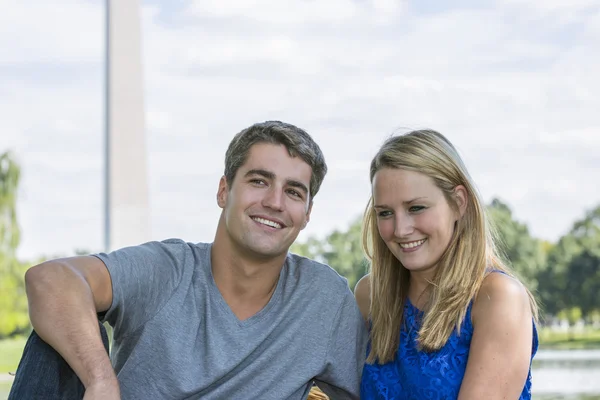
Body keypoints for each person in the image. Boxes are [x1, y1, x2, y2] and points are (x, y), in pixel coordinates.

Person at [10, 121, 367, 400]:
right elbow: (50, 280)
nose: (275, 202)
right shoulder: (167, 270)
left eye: (293, 191)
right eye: (259, 181)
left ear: (307, 213)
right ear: (224, 191)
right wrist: (102, 382)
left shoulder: (325, 300)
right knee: (57, 335)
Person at [355, 129, 539, 399]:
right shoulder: (369, 295)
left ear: (459, 202)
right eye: (385, 213)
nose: (401, 229)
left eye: (416, 208)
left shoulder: (497, 297)